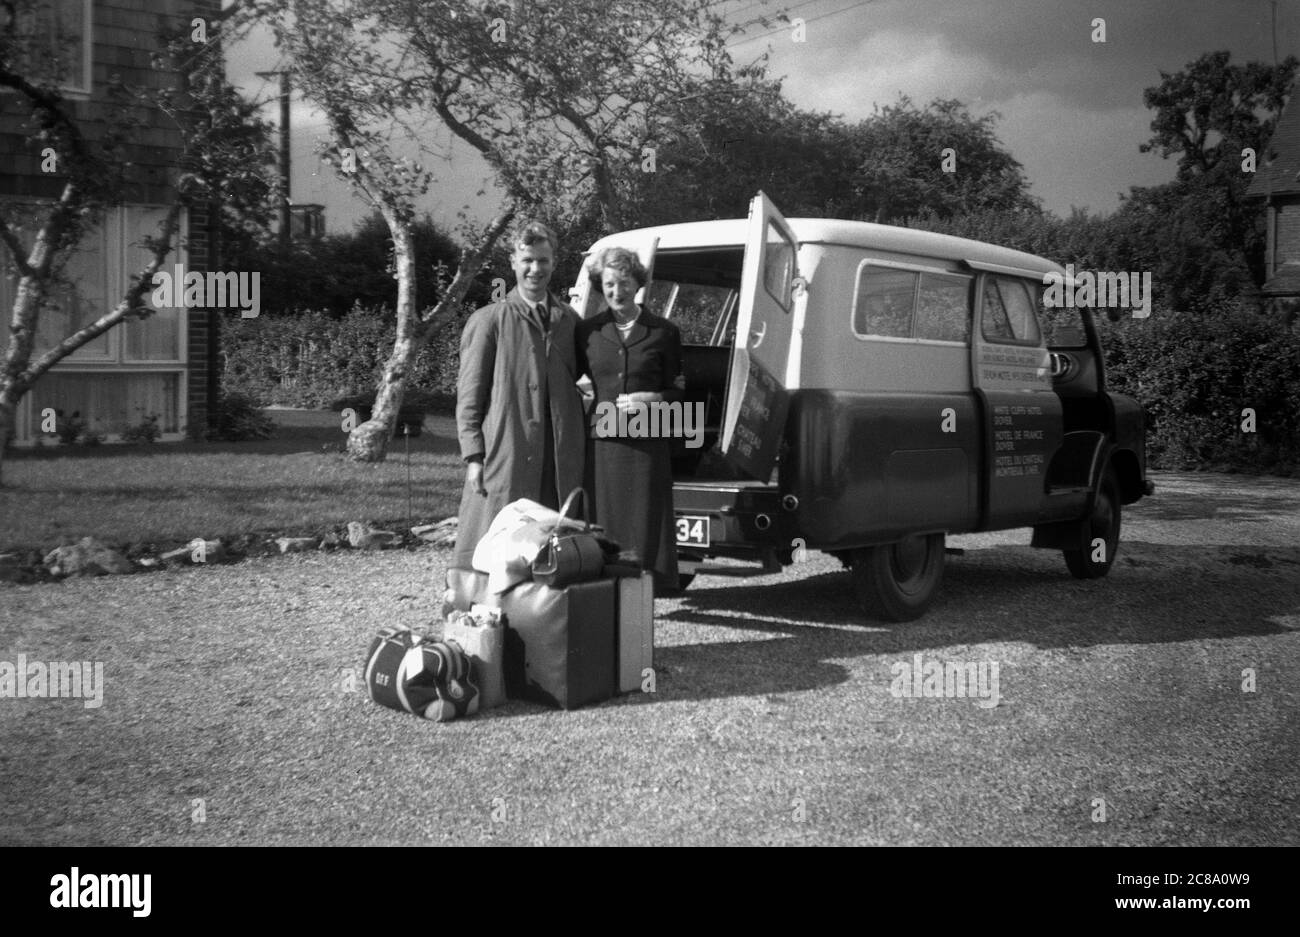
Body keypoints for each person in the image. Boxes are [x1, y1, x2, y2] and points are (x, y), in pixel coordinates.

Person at [452, 221, 587, 570]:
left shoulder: (570, 321)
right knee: (495, 552)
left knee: (552, 555)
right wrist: (474, 457)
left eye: (543, 260)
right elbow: (469, 397)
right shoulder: (489, 320)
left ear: (554, 262)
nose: (535, 269)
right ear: (512, 261)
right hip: (507, 457)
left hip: (557, 463)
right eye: (527, 260)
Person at [575, 247, 684, 591]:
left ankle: (645, 592)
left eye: (624, 282)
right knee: (604, 521)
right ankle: (605, 590)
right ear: (600, 285)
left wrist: (653, 399)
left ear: (638, 283)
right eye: (609, 284)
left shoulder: (664, 332)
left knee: (645, 522)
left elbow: (678, 394)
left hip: (647, 444)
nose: (616, 291)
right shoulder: (587, 332)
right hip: (603, 441)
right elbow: (570, 380)